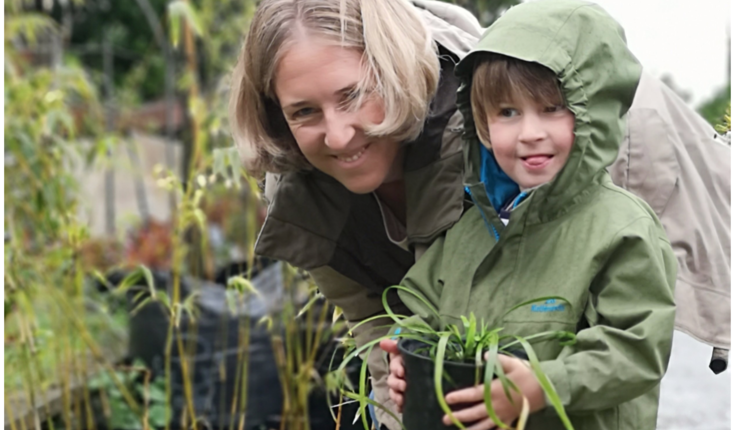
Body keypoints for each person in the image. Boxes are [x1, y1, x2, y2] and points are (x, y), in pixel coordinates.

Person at [228, 1, 729, 429]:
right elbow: (394, 315)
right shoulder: (302, 192)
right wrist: (407, 364)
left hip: (640, 155)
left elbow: (631, 347)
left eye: (353, 95)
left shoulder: (500, 140)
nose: (336, 136)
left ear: (392, 72)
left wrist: (541, 386)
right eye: (304, 112)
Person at [383, 1, 678, 429]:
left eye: (552, 108)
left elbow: (635, 348)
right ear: (481, 124)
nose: (530, 133)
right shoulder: (473, 224)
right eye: (507, 113)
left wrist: (546, 384)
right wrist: (407, 349)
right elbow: (422, 302)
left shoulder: (621, 229)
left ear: (593, 110)